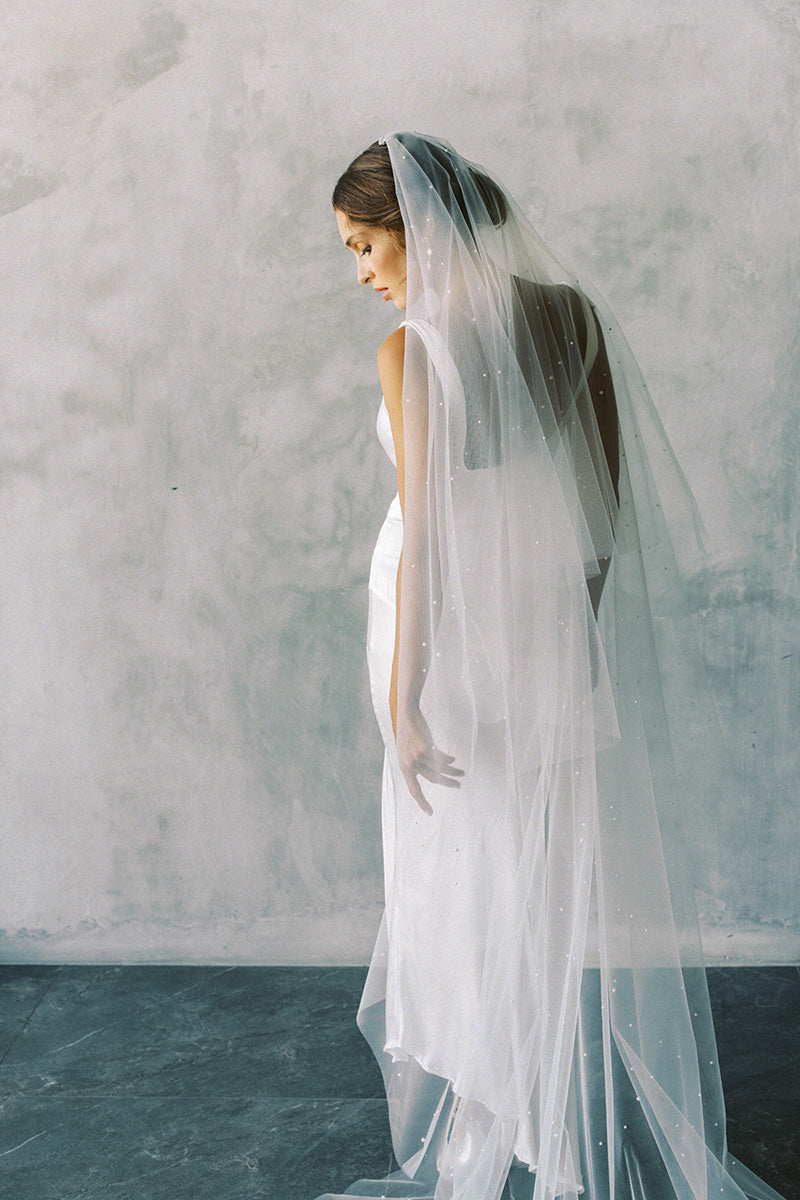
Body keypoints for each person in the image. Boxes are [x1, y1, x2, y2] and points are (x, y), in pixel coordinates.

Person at [318, 132, 784, 1200]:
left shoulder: (411, 351)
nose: (361, 273)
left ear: (415, 229)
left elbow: (429, 538)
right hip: (538, 629)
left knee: (461, 884)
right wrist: (576, 633)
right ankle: (545, 1124)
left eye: (363, 244)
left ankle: (502, 1124)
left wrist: (405, 698)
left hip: (440, 639)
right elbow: (602, 503)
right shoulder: (569, 316)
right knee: (534, 880)